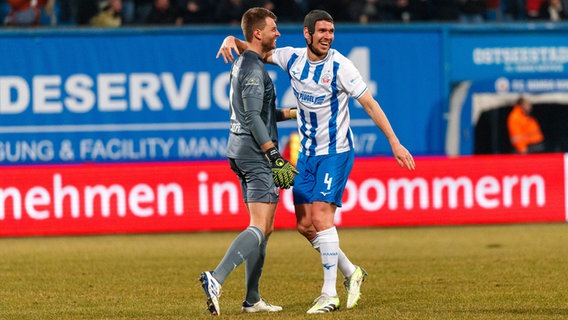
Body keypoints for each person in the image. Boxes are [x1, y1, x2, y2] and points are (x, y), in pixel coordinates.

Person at [216, 9, 416, 314]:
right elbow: (257, 48)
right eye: (322, 31)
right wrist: (232, 38)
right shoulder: (291, 58)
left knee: (322, 218)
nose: (327, 37)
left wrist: (394, 141)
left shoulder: (341, 66)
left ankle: (329, 294)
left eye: (331, 32)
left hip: (335, 152)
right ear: (307, 34)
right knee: (305, 225)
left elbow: (370, 104)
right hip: (307, 154)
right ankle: (352, 272)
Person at [199, 7, 299, 316]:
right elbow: (255, 117)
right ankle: (216, 278)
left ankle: (252, 299)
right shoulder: (254, 69)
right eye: (273, 28)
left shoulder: (246, 63)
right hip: (255, 154)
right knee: (259, 225)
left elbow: (262, 113)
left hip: (240, 149)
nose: (278, 33)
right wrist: (273, 154)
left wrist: (298, 112)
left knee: (264, 228)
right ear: (258, 33)